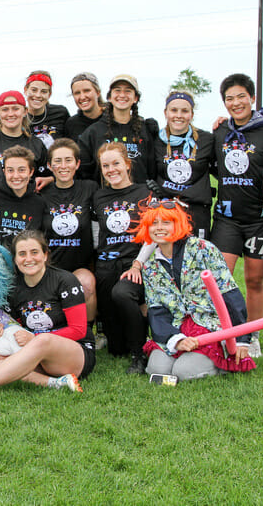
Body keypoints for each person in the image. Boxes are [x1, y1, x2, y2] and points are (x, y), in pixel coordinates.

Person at [0, 230, 95, 398]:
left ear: (45, 255)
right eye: (22, 254)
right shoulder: (14, 288)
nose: (29, 259)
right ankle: (56, 383)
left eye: (34, 252)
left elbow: (79, 330)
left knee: (44, 340)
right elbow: (15, 328)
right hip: (34, 352)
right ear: (15, 259)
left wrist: (35, 338)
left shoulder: (65, 281)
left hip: (72, 354)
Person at [135, 197, 255, 381]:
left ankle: (219, 363)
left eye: (166, 223)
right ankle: (184, 353)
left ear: (178, 224)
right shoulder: (150, 266)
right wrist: (177, 340)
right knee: (156, 369)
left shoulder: (204, 249)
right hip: (176, 325)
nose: (159, 228)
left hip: (208, 325)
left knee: (183, 372)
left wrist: (240, 339)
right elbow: (156, 309)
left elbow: (230, 294)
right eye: (154, 223)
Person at [210, 73, 263, 358]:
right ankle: (223, 332)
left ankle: (253, 333)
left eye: (240, 97)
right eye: (229, 98)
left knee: (255, 280)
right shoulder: (220, 131)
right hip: (226, 218)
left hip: (259, 219)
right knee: (221, 278)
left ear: (252, 98)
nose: (235, 103)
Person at [91, 142, 150, 373]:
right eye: (106, 165)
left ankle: (140, 353)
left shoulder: (144, 192)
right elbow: (97, 233)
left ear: (127, 165)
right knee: (117, 348)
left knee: (123, 293)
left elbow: (153, 235)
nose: (111, 169)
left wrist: (139, 264)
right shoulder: (99, 196)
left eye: (116, 163)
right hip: (106, 264)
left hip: (133, 262)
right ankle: (129, 342)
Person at [39, 138, 99, 334]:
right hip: (51, 267)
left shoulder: (90, 188)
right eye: (57, 161)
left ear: (77, 164)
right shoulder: (41, 193)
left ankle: (89, 332)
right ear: (49, 165)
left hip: (79, 265)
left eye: (68, 160)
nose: (63, 166)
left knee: (87, 283)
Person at [151, 91, 214, 238]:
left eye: (184, 111)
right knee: (168, 258)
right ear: (165, 113)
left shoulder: (207, 140)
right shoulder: (155, 140)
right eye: (174, 110)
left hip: (197, 213)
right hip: (167, 211)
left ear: (191, 114)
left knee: (196, 258)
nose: (178, 115)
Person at [78, 74, 158, 182]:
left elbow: (153, 169)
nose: (122, 95)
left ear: (135, 98)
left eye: (128, 91)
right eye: (117, 90)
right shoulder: (93, 132)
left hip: (140, 195)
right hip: (106, 196)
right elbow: (84, 172)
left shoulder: (146, 130)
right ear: (109, 97)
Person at [0, 145, 48, 249]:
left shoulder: (39, 203)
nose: (16, 176)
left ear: (31, 172)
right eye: (10, 170)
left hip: (24, 261)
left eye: (21, 170)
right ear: (4, 172)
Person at [24, 71, 70, 149]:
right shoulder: (19, 118)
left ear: (49, 94)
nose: (38, 95)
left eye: (44, 91)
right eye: (34, 90)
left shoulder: (60, 113)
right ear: (25, 90)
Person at [64, 72, 105, 139]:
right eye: (77, 93)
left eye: (87, 91)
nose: (82, 97)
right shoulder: (71, 124)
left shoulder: (112, 118)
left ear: (98, 93)